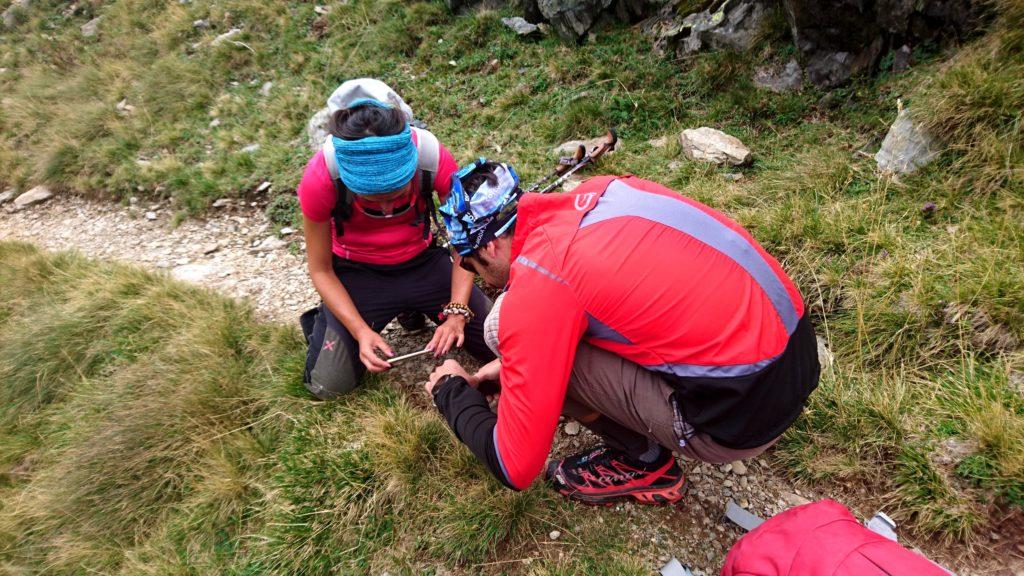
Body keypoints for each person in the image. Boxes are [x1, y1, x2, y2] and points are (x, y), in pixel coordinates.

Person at [425, 161, 820, 505]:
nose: (484, 281)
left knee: (502, 328)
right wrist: (515, 365)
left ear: (491, 247)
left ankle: (646, 461)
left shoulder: (545, 280)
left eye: (474, 268)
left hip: (739, 421)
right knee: (534, 330)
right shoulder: (603, 190)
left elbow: (514, 467)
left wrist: (452, 391)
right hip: (794, 351)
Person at [297, 85, 494, 400]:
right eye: (373, 198)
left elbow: (464, 241)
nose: (387, 209)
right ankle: (327, 321)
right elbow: (321, 269)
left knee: (502, 343)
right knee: (327, 384)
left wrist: (457, 311)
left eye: (397, 194)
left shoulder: (431, 157)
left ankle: (411, 306)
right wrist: (360, 332)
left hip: (423, 264)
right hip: (357, 273)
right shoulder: (321, 178)